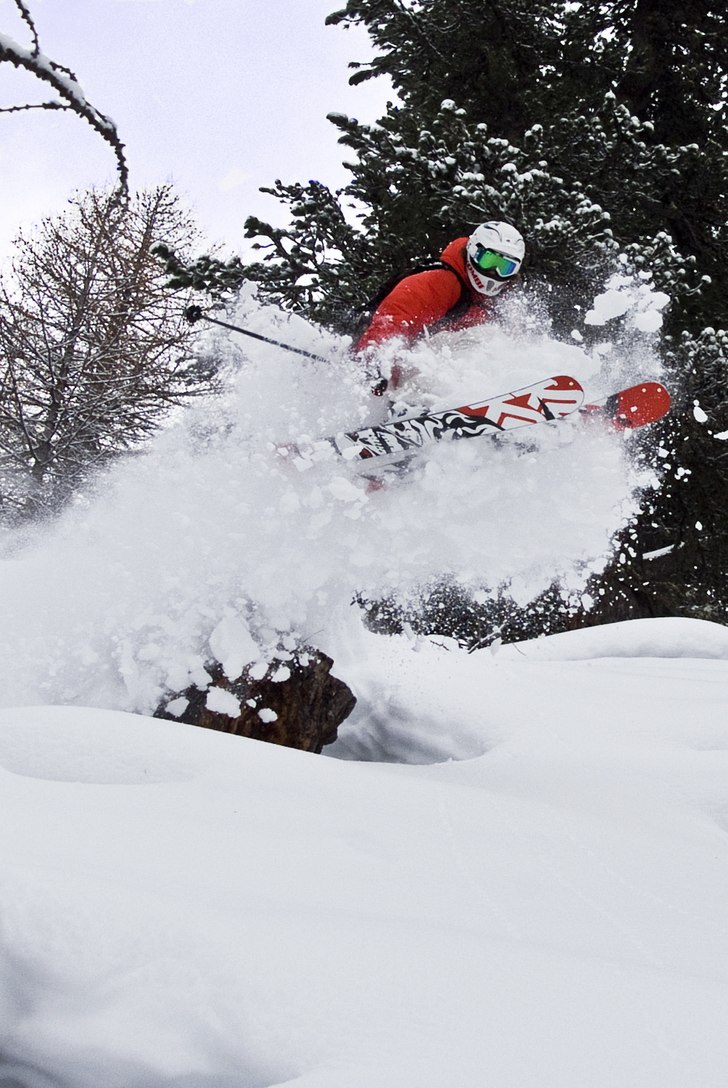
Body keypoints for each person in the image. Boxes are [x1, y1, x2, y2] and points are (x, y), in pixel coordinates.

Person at [354, 220, 525, 393]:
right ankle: (420, 407)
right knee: (484, 336)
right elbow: (394, 317)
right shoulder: (440, 281)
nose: (494, 272)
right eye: (488, 261)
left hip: (412, 373)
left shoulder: (489, 302)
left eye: (506, 267)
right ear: (474, 251)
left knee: (497, 340)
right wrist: (374, 360)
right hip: (382, 365)